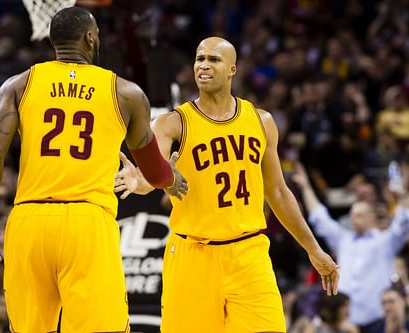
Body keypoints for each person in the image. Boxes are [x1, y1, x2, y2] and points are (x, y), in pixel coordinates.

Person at [0, 6, 187, 333]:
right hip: (87, 225)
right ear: (90, 38)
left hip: (29, 223)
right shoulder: (125, 92)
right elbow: (154, 171)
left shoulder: (19, 85)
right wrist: (172, 179)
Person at [115, 36, 339, 333]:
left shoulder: (261, 121)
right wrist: (139, 180)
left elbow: (277, 192)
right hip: (192, 256)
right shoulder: (172, 123)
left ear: (233, 69)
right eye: (199, 59)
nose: (204, 65)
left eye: (214, 59)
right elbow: (152, 177)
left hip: (248, 255)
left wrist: (313, 249)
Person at [292, 163, 409, 333]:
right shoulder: (343, 239)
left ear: (371, 218)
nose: (353, 219)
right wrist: (306, 187)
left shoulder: (385, 241)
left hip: (376, 317)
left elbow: (403, 221)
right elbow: (320, 217)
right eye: (352, 216)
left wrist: (403, 191)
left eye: (359, 215)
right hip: (346, 318)